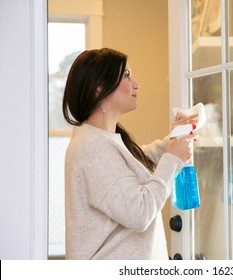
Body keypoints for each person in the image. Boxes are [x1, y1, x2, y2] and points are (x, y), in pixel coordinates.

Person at [62, 48, 197, 260]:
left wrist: (172, 142)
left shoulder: (101, 140)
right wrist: (172, 158)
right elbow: (139, 213)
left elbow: (133, 165)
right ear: (99, 88)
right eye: (126, 75)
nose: (136, 84)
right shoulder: (91, 148)